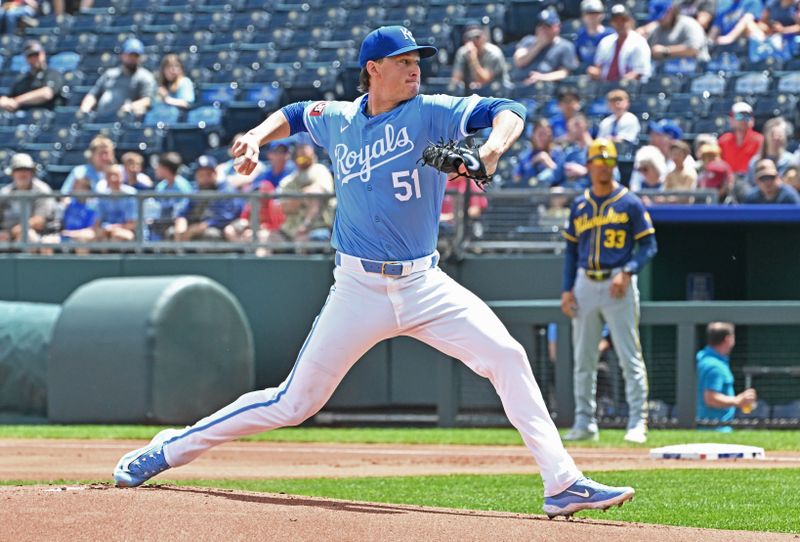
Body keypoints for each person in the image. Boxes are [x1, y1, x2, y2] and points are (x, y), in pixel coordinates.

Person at [113, 25, 635, 518]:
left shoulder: (431, 111)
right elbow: (296, 113)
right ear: (373, 69)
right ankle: (168, 450)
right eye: (403, 62)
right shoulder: (339, 118)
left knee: (507, 356)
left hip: (424, 284)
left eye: (417, 61)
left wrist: (490, 150)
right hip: (358, 288)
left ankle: (562, 483)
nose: (415, 70)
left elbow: (508, 108)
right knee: (293, 402)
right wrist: (254, 135)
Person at [561, 138, 657, 444]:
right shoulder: (579, 204)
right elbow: (570, 251)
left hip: (618, 281)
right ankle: (584, 422)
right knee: (583, 358)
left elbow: (649, 245)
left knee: (629, 356)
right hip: (585, 281)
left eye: (608, 163)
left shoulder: (629, 202)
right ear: (589, 166)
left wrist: (629, 271)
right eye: (598, 163)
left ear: (614, 165)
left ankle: (637, 422)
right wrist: (566, 290)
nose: (603, 168)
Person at [696, 322, 757, 431]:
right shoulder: (715, 367)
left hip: (709, 428)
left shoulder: (704, 357)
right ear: (728, 339)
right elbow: (710, 399)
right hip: (715, 430)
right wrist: (738, 401)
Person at [79, 38, 157, 119]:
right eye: (130, 55)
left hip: (123, 120)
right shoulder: (110, 74)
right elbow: (93, 94)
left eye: (136, 56)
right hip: (101, 117)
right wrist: (85, 108)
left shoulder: (145, 76)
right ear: (122, 55)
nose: (132, 58)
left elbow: (147, 100)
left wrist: (131, 106)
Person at [276, 143, 335, 244]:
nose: (306, 161)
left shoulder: (320, 170)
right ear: (295, 160)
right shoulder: (288, 181)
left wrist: (298, 198)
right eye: (302, 158)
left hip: (318, 227)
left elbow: (318, 192)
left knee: (301, 241)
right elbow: (285, 207)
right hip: (290, 229)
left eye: (309, 158)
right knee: (265, 238)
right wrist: (304, 196)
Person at [172, 155, 240, 241]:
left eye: (208, 174)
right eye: (201, 175)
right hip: (199, 227)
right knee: (172, 232)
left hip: (223, 229)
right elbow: (183, 209)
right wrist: (181, 220)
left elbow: (226, 217)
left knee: (210, 235)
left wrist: (199, 227)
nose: (205, 178)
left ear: (215, 173)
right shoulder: (196, 190)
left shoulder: (225, 189)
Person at [512, 8, 579, 85]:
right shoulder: (528, 40)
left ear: (557, 27)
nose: (542, 29)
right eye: (540, 25)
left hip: (546, 90)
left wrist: (542, 77)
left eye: (547, 26)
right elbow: (519, 62)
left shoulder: (566, 46)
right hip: (520, 86)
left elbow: (565, 72)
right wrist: (539, 45)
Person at [588, 4, 652, 82]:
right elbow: (598, 66)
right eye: (616, 20)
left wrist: (621, 82)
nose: (620, 23)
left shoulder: (639, 42)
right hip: (605, 87)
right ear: (611, 23)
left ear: (630, 21)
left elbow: (641, 72)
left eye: (623, 19)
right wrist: (595, 72)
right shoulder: (606, 42)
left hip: (631, 89)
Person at [0, 153, 55, 243]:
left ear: (32, 172)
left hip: (41, 234)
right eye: (18, 170)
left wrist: (17, 230)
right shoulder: (5, 192)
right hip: (8, 234)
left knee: (28, 236)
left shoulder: (42, 190)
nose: (23, 173)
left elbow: (39, 221)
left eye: (26, 169)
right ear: (12, 173)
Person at [0, 40, 64, 112]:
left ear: (43, 54)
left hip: (46, 117)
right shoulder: (22, 79)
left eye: (36, 54)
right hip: (23, 119)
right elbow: (9, 98)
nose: (33, 58)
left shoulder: (53, 74)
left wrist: (17, 101)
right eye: (30, 56)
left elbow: (46, 94)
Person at [450, 25, 510, 92]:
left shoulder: (494, 53)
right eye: (469, 38)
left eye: (477, 37)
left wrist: (473, 59)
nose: (474, 41)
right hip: (473, 94)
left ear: (484, 37)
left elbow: (484, 80)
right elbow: (456, 79)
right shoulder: (462, 52)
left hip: (497, 92)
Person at [149, 152, 193, 240]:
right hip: (162, 222)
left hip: (178, 223)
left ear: (165, 169)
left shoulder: (182, 187)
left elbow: (183, 212)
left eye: (159, 166)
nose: (156, 169)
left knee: (170, 232)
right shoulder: (161, 186)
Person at [512, 118, 564, 187]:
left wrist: (547, 161)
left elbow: (562, 176)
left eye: (546, 134)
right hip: (528, 193)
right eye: (540, 134)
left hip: (550, 193)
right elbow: (516, 179)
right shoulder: (525, 156)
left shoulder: (558, 153)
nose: (543, 138)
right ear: (533, 135)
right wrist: (532, 162)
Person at [747, 116, 797, 185]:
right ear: (766, 136)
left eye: (779, 135)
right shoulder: (755, 162)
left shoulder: (791, 162)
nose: (776, 138)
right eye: (772, 134)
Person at [719, 102, 764, 175]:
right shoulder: (723, 140)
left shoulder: (760, 140)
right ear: (731, 120)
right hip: (729, 181)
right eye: (739, 116)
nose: (743, 119)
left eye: (747, 116)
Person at [96, 164, 138, 242]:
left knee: (117, 237)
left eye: (116, 175)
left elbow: (132, 224)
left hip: (128, 231)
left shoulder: (131, 194)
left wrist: (112, 228)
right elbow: (97, 222)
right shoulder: (102, 196)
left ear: (122, 176)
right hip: (106, 230)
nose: (113, 178)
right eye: (109, 175)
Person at [57, 177, 97, 244]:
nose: (73, 189)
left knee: (82, 242)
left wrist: (72, 234)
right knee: (47, 242)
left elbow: (91, 230)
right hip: (66, 236)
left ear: (86, 190)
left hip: (82, 236)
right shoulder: (69, 205)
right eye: (74, 187)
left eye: (78, 187)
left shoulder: (92, 207)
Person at [558, 114, 593, 189]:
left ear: (580, 126)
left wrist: (585, 171)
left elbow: (611, 176)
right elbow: (557, 174)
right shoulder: (570, 152)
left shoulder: (597, 150)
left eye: (569, 129)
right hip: (570, 193)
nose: (567, 133)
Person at [575, 0, 614, 64]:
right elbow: (577, 57)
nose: (592, 16)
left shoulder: (610, 34)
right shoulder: (580, 34)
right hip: (585, 71)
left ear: (602, 15)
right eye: (588, 13)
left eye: (596, 13)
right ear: (583, 16)